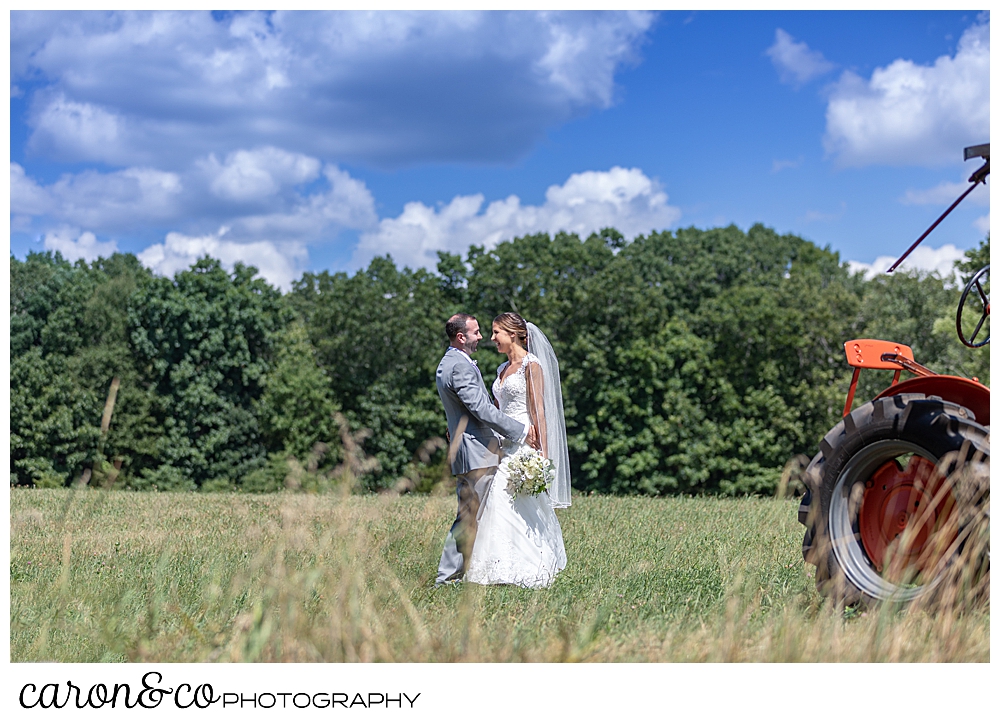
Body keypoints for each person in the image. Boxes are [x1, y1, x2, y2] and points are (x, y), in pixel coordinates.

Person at [464, 312, 569, 588]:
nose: (491, 338)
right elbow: (496, 410)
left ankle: (529, 565)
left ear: (512, 333)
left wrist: (543, 457)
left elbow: (539, 412)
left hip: (525, 443)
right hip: (502, 444)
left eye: (496, 332)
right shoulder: (501, 369)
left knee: (515, 502)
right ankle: (494, 567)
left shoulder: (531, 366)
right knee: (497, 501)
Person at [435, 313, 538, 585]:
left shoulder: (453, 362)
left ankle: (467, 573)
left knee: (473, 516)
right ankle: (447, 578)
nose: (482, 337)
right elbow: (479, 409)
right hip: (476, 452)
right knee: (469, 518)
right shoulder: (459, 366)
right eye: (477, 332)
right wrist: (520, 430)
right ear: (461, 337)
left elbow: (468, 407)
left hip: (473, 449)